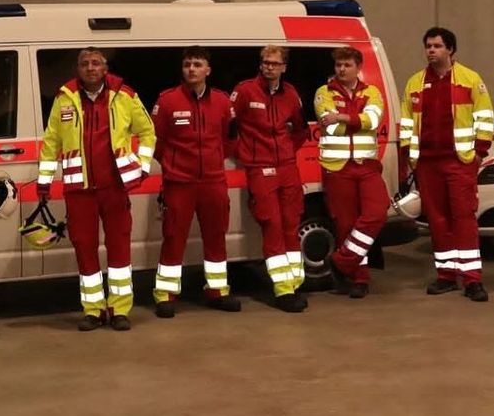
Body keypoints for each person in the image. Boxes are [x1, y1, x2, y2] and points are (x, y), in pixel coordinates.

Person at [37, 47, 156, 331]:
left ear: (105, 68)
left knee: (119, 249)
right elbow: (51, 141)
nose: (90, 68)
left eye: (95, 63)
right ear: (78, 68)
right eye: (84, 63)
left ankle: (120, 309)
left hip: (114, 186)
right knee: (84, 247)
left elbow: (148, 132)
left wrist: (142, 166)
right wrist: (44, 179)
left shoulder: (124, 95)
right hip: (79, 189)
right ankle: (93, 310)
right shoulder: (64, 97)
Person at [400, 27, 493, 301]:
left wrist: (479, 152)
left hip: (459, 161)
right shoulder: (415, 83)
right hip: (427, 163)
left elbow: (485, 117)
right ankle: (446, 275)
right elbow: (406, 122)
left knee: (463, 219)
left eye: (437, 46)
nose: (431, 50)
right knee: (438, 221)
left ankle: (472, 279)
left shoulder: (470, 80)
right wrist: (409, 155)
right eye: (428, 46)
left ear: (450, 50)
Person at [151, 47, 240, 317]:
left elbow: (231, 140)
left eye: (197, 64)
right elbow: (157, 141)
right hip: (179, 182)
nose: (192, 68)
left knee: (216, 236)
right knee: (173, 237)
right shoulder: (167, 101)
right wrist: (173, 165)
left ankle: (217, 291)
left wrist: (213, 160)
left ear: (207, 70)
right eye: (188, 64)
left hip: (213, 181)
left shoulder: (224, 102)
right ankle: (165, 294)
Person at [231, 46, 309, 313]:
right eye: (265, 63)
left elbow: (300, 130)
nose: (269, 67)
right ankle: (283, 290)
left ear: (284, 67)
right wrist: (244, 153)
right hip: (259, 168)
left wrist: (288, 152)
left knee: (291, 224)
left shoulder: (291, 95)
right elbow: (228, 128)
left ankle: (295, 282)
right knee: (272, 226)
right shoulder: (244, 91)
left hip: (287, 168)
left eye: (274, 64)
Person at [314, 47, 388, 299]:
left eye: (346, 65)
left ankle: (342, 261)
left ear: (358, 67)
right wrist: (356, 120)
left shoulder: (372, 92)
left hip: (366, 166)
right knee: (346, 225)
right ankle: (358, 278)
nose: (341, 69)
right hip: (337, 168)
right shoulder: (323, 93)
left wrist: (342, 116)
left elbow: (374, 121)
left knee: (376, 213)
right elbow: (331, 129)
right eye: (338, 65)